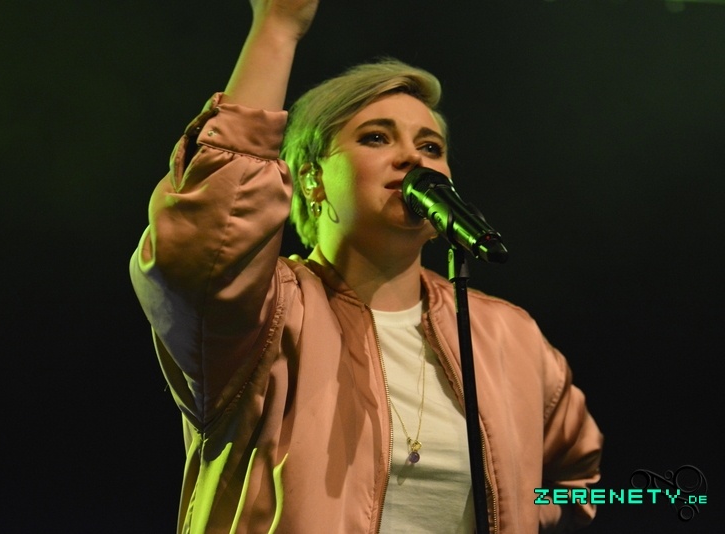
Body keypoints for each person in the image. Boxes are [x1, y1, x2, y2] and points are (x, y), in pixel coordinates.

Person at [129, 0, 603, 532]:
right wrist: (277, 29)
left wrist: (519, 511)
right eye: (376, 137)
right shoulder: (266, 317)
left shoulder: (508, 337)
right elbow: (206, 237)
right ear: (311, 179)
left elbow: (581, 483)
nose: (413, 158)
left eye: (431, 146)